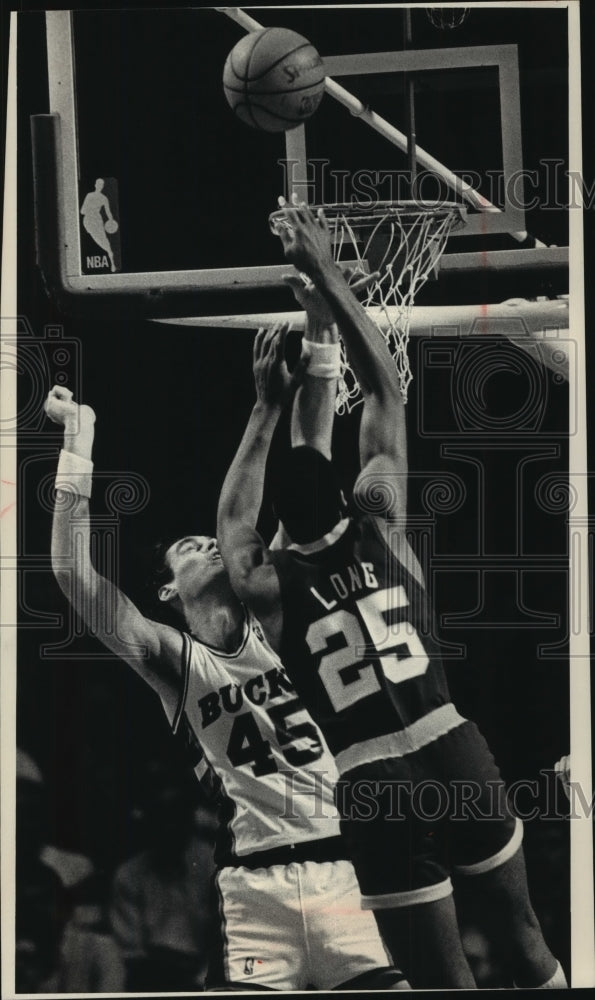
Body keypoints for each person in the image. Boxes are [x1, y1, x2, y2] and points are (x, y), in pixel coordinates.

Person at [216, 197, 567, 990]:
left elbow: (236, 513)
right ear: (345, 498)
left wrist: (265, 405)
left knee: (443, 982)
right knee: (524, 942)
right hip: (451, 744)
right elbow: (385, 395)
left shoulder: (269, 583)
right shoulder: (380, 528)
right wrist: (330, 289)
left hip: (375, 781)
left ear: (281, 533)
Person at [44, 276, 407, 992]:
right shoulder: (172, 659)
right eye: (185, 547)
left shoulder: (278, 605)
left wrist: (320, 331)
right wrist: (77, 445)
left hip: (349, 869)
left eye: (206, 538)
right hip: (251, 891)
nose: (205, 545)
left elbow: (303, 471)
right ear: (165, 591)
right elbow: (72, 576)